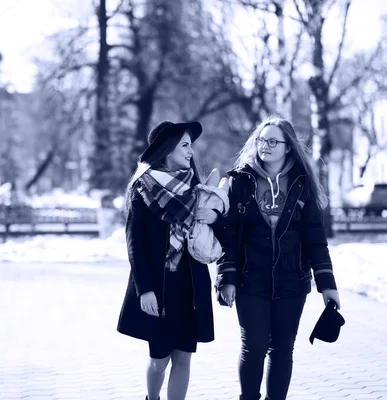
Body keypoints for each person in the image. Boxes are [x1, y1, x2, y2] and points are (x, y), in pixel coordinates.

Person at [215, 115, 341, 400]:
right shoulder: (240, 181)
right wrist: (227, 277)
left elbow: (315, 238)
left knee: (282, 349)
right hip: (250, 281)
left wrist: (327, 284)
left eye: (273, 141)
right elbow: (229, 234)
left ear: (288, 147)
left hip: (291, 281)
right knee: (254, 347)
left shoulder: (301, 183)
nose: (265, 146)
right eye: (261, 140)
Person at [117, 120, 223, 400]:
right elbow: (134, 244)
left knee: (184, 358)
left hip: (190, 286)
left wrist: (216, 217)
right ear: (167, 149)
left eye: (191, 146)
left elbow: (218, 230)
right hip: (159, 287)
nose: (191, 152)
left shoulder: (196, 187)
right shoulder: (142, 187)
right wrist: (145, 289)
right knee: (159, 360)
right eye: (185, 145)